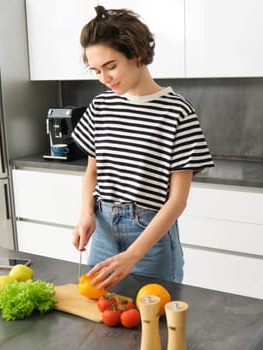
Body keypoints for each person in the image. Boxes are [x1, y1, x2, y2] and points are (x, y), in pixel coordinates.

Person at [72, 5, 214, 290]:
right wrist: (86, 214)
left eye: (111, 66)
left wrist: (133, 254)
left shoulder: (177, 112)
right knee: (99, 321)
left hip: (150, 240)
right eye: (97, 71)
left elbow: (178, 201)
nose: (105, 78)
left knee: (153, 325)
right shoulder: (101, 106)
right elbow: (92, 172)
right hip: (102, 232)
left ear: (136, 54)